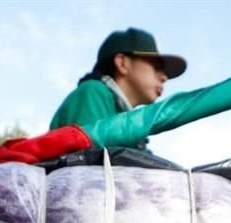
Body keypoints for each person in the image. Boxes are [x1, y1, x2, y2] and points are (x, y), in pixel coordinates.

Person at [50, 27, 187, 144]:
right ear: (122, 63)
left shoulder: (127, 120)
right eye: (156, 66)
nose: (164, 78)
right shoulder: (94, 92)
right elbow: (89, 164)